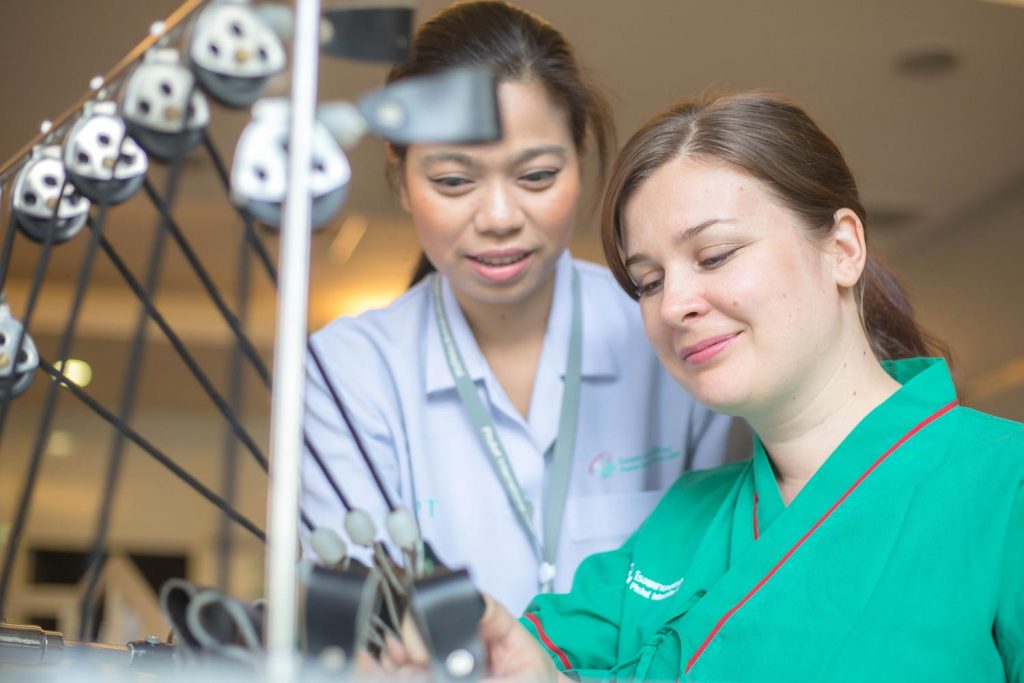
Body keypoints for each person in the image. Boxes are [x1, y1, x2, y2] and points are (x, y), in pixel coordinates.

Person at [467, 92, 1024, 681]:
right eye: (648, 282)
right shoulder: (684, 518)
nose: (673, 305)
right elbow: (531, 662)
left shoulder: (1004, 480)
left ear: (842, 249)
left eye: (715, 255)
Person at [300, 1, 736, 616]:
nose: (500, 218)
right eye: (454, 181)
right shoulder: (345, 373)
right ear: (401, 179)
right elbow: (361, 619)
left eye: (535, 176)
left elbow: (724, 583)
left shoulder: (674, 325)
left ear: (580, 160)